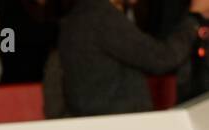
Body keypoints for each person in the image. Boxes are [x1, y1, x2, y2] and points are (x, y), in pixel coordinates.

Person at [57, 0, 209, 115]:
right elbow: (160, 58)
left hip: (101, 122)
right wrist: (193, 16)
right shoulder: (100, 17)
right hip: (116, 126)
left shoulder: (83, 14)